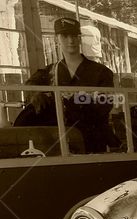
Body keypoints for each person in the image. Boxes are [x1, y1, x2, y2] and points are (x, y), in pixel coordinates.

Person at [15, 17, 117, 153]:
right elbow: (30, 86)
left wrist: (75, 101)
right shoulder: (50, 72)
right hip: (57, 143)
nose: (71, 40)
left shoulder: (101, 72)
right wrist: (36, 94)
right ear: (57, 39)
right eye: (64, 36)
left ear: (79, 38)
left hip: (91, 140)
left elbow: (106, 102)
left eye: (74, 35)